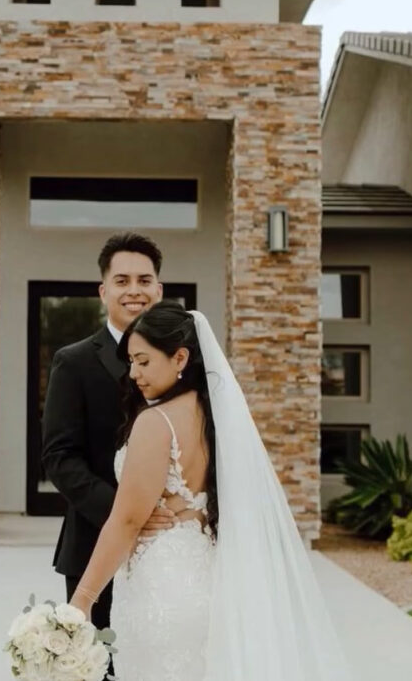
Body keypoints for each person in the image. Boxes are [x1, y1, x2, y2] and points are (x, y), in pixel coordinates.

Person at [69, 302, 353, 681]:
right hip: (209, 582)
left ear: (180, 357)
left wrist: (82, 600)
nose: (133, 373)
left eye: (142, 361)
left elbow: (127, 520)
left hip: (162, 592)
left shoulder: (156, 423)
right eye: (132, 363)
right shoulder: (217, 418)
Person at [41, 232, 176, 635]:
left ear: (159, 289)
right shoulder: (74, 362)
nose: (134, 291)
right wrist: (128, 515)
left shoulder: (188, 362)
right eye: (122, 281)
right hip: (96, 544)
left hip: (174, 550)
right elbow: (60, 459)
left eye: (144, 280)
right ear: (103, 291)